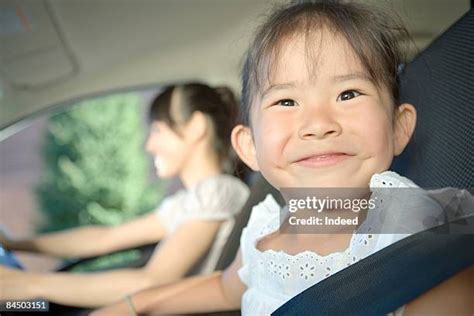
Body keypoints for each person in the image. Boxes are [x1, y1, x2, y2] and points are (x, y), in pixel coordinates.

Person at [92, 1, 474, 315]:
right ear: (249, 147)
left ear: (397, 127)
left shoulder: (421, 240)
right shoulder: (264, 231)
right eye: (286, 101)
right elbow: (226, 289)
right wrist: (133, 305)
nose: (318, 124)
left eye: (348, 94)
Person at [0, 82, 250, 307]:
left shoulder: (218, 192)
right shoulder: (188, 202)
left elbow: (152, 281)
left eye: (158, 130)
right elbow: (104, 238)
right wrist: (16, 244)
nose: (149, 145)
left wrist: (30, 284)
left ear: (196, 127)